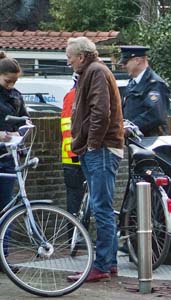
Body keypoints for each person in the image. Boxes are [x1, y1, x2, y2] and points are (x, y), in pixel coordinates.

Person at [66, 36, 125, 282]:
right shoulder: (93, 71)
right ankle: (108, 262)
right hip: (98, 148)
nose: (68, 62)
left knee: (101, 208)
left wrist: (91, 144)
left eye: (69, 57)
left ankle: (101, 265)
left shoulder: (95, 72)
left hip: (100, 149)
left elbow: (100, 111)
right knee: (103, 207)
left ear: (81, 56)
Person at [119, 45, 170, 137]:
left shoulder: (155, 84)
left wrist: (131, 127)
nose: (123, 66)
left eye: (125, 62)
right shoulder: (132, 83)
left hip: (150, 141)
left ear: (137, 60)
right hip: (135, 140)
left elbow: (156, 114)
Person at [0, 51, 28, 212]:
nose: (11, 85)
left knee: (6, 206)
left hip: (9, 155)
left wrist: (22, 131)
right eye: (7, 81)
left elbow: (24, 119)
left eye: (14, 82)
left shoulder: (16, 96)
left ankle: (5, 237)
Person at [60, 73, 85, 216]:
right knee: (75, 205)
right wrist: (74, 153)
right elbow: (67, 128)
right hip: (74, 160)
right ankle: (74, 238)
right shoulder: (73, 96)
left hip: (79, 156)